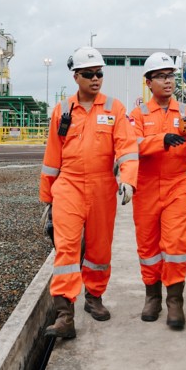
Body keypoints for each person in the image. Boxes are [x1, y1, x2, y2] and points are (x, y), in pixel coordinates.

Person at [39, 46, 139, 339]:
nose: (96, 79)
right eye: (89, 74)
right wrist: (47, 198)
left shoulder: (114, 109)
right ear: (76, 77)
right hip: (68, 185)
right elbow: (51, 156)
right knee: (67, 250)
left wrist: (128, 179)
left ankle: (94, 297)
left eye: (99, 73)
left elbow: (127, 147)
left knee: (98, 249)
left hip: (101, 187)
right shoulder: (62, 110)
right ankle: (64, 315)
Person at [129, 52, 186, 330]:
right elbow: (131, 145)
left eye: (171, 76)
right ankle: (152, 296)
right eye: (162, 77)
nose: (168, 82)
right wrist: (160, 140)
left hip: (176, 185)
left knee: (175, 245)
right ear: (149, 82)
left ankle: (175, 301)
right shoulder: (138, 114)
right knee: (148, 246)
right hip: (145, 188)